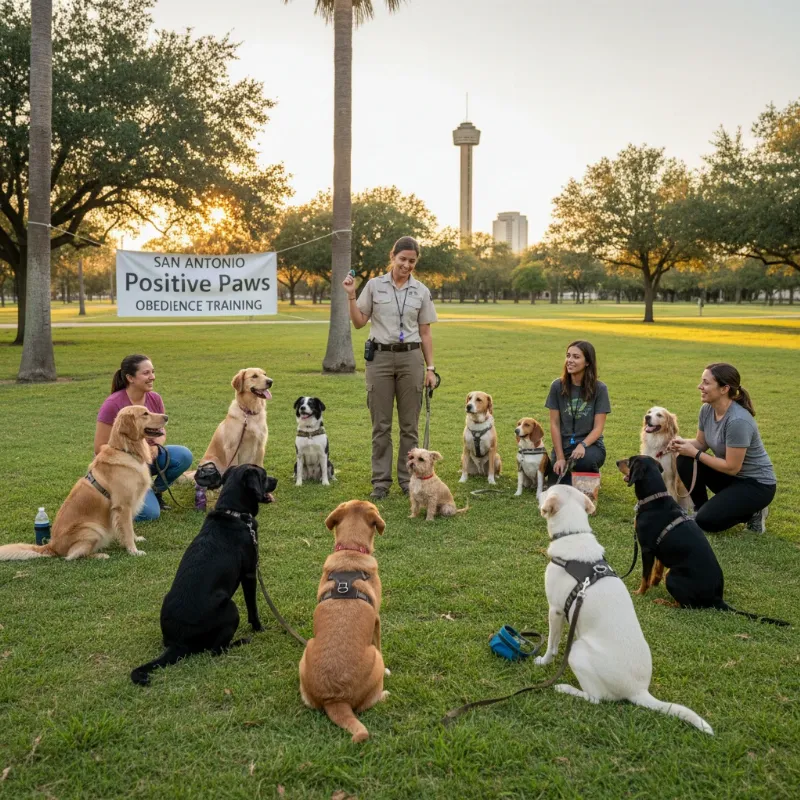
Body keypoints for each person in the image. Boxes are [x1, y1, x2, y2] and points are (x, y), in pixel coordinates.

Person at [343, 236, 438, 498]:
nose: (406, 265)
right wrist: (351, 296)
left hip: (411, 359)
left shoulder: (420, 290)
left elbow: (425, 332)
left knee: (410, 425)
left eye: (412, 261)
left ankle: (409, 481)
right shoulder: (374, 286)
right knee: (381, 425)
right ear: (392, 257)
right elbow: (359, 322)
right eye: (402, 259)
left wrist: (430, 369)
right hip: (380, 359)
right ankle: (381, 483)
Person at [669, 363, 776, 534]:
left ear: (724, 389)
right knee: (685, 458)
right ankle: (700, 510)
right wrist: (679, 443)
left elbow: (732, 468)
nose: (700, 387)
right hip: (731, 479)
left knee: (707, 521)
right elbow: (701, 443)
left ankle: (753, 512)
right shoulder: (707, 409)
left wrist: (694, 453)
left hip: (756, 485)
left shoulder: (737, 421)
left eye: (706, 382)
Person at [95, 354, 193, 521]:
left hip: (147, 458)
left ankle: (154, 491)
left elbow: (160, 432)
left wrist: (154, 446)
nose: (152, 377)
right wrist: (131, 459)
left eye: (153, 372)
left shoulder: (155, 398)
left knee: (183, 455)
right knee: (150, 514)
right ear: (130, 378)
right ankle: (119, 498)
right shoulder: (113, 404)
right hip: (122, 467)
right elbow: (100, 447)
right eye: (146, 373)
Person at [545, 340, 611, 486]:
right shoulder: (557, 386)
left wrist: (583, 445)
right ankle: (572, 471)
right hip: (564, 446)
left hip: (590, 447)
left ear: (587, 362)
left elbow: (598, 428)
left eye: (576, 357)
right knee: (557, 488)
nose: (570, 360)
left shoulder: (600, 389)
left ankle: (591, 471)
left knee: (583, 463)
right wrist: (560, 457)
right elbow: (554, 424)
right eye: (568, 356)